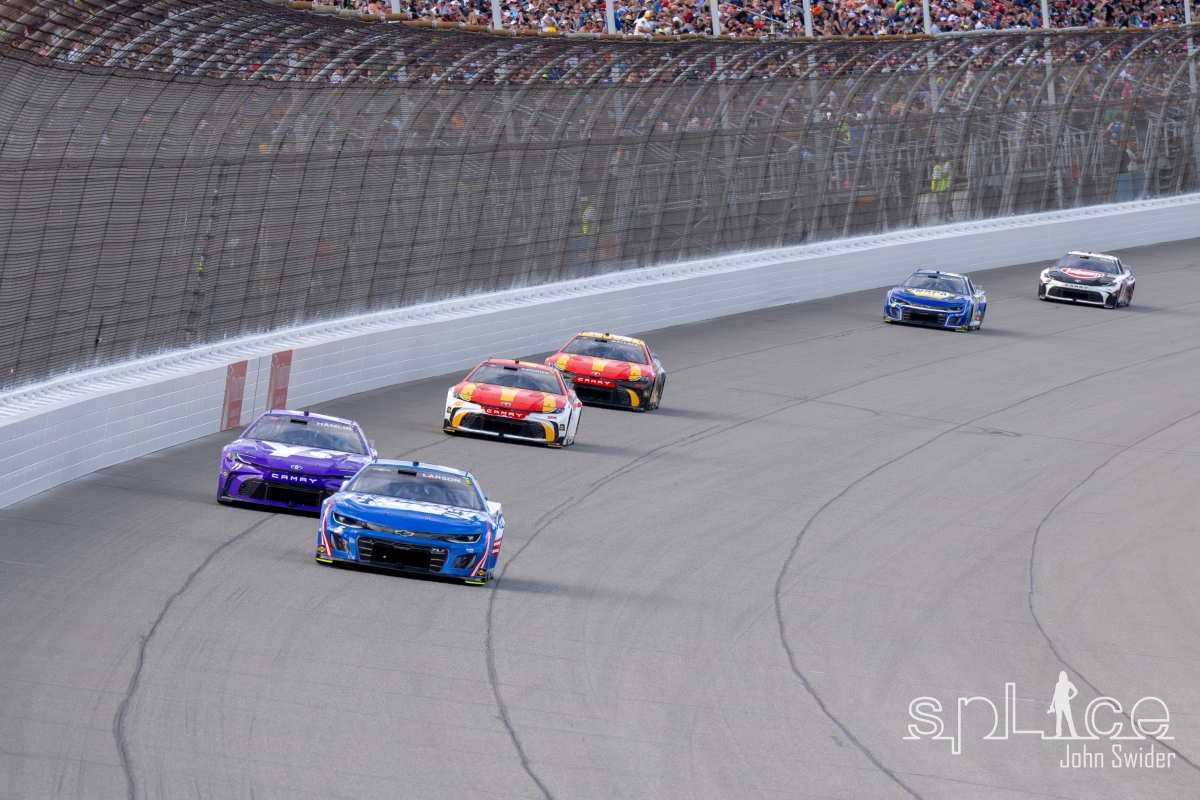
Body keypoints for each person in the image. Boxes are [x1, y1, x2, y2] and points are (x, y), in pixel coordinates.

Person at [1047, 671, 1079, 738]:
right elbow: (1075, 691)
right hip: (1063, 703)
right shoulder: (1067, 684)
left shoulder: (1059, 684)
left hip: (1059, 703)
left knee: (1060, 719)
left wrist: (1052, 703)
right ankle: (1073, 734)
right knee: (1068, 719)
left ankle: (1059, 734)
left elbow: (1055, 694)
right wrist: (1070, 697)